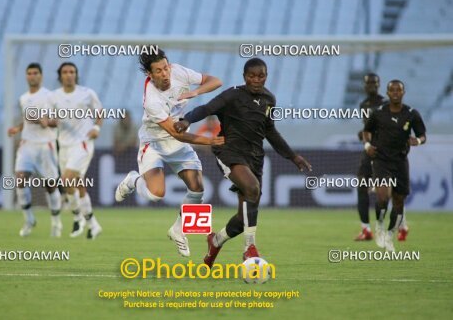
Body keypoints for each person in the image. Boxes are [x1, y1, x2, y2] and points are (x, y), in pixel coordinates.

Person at [174, 58, 312, 266]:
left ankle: (216, 240)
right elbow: (207, 108)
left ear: (266, 76)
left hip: (255, 158)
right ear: (244, 77)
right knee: (252, 188)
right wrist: (187, 120)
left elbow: (270, 131)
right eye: (252, 76)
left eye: (261, 76)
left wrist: (292, 156)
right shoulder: (232, 95)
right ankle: (250, 248)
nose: (256, 80)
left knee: (242, 218)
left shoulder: (269, 99)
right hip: (229, 152)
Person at [115, 48, 223, 257]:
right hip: (155, 143)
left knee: (198, 189)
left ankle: (179, 230)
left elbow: (216, 81)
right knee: (156, 195)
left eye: (166, 68)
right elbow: (177, 133)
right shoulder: (152, 100)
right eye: (159, 71)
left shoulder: (179, 72)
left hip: (178, 142)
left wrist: (195, 91)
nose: (165, 74)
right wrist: (210, 141)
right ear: (150, 74)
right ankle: (133, 180)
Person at [363, 79, 426, 251]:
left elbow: (422, 135)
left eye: (399, 90)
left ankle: (390, 235)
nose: (396, 93)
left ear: (403, 93)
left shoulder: (412, 114)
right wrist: (367, 145)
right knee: (383, 196)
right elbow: (366, 131)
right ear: (388, 93)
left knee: (399, 202)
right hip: (381, 159)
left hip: (400, 161)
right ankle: (380, 227)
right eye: (393, 90)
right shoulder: (378, 113)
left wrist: (418, 141)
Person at [8, 63, 62, 237]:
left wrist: (47, 122)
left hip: (46, 144)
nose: (32, 76)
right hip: (27, 144)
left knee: (50, 186)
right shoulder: (24, 98)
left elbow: (58, 120)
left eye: (35, 73)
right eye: (29, 73)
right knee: (20, 179)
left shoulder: (50, 96)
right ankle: (29, 219)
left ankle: (56, 222)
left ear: (41, 76)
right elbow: (27, 119)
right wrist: (17, 128)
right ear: (26, 76)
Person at [51, 62, 103, 239]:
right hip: (63, 146)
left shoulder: (87, 94)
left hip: (82, 144)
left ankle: (77, 216)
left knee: (66, 180)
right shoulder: (53, 97)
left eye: (72, 71)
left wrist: (97, 128)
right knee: (77, 185)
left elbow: (100, 112)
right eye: (65, 72)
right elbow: (48, 119)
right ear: (60, 76)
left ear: (76, 74)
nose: (69, 75)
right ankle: (93, 224)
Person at [354, 73, 385, 241]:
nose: (371, 86)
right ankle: (365, 229)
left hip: (383, 153)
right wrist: (364, 134)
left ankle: (386, 226)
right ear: (364, 86)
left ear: (379, 84)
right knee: (361, 186)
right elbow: (368, 128)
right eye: (368, 83)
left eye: (374, 82)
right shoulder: (363, 104)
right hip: (368, 151)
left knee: (384, 191)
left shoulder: (385, 104)